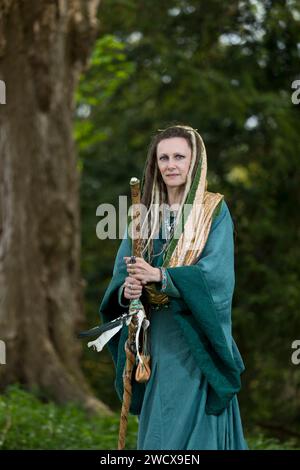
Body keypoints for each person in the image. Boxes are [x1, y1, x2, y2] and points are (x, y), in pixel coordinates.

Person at [98, 124, 248, 450]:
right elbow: (122, 273)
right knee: (160, 428)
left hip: (196, 336)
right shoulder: (145, 215)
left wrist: (162, 277)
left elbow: (218, 277)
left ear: (195, 162)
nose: (171, 164)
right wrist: (129, 290)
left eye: (179, 156)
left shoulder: (213, 212)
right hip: (156, 338)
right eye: (163, 157)